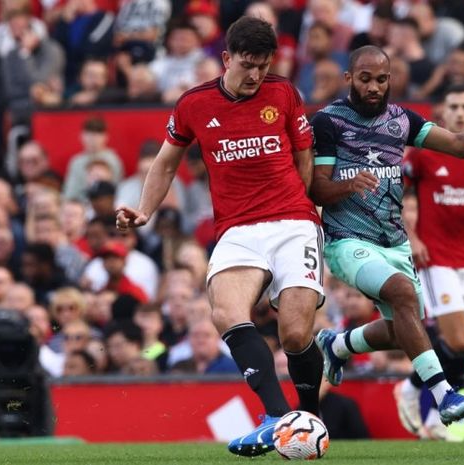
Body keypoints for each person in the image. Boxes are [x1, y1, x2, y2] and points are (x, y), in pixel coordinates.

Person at [115, 17, 325, 457]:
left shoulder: (284, 92)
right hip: (237, 229)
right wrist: (145, 209)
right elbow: (167, 162)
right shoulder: (194, 104)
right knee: (226, 313)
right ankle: (276, 419)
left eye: (263, 66)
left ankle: (309, 418)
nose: (255, 75)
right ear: (227, 58)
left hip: (292, 222)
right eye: (248, 65)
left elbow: (304, 157)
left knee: (294, 334)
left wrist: (307, 213)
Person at [309, 45, 464, 431]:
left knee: (406, 330)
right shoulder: (329, 122)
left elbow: (462, 147)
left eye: (382, 79)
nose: (374, 87)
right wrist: (347, 185)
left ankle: (338, 345)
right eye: (365, 79)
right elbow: (317, 189)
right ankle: (444, 394)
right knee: (400, 294)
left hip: (393, 242)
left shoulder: (402, 120)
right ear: (349, 79)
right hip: (347, 240)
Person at [394, 83, 464, 436]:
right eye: (454, 107)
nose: (460, 113)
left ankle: (436, 422)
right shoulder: (425, 153)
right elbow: (393, 194)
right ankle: (411, 387)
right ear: (442, 113)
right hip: (436, 258)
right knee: (457, 341)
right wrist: (411, 237)